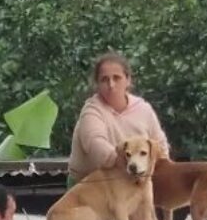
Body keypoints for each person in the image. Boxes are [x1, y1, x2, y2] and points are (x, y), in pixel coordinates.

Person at [67, 52, 170, 186]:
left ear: (128, 80)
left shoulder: (144, 109)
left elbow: (161, 148)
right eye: (104, 79)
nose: (111, 84)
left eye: (117, 78)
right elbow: (95, 144)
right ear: (97, 84)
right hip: (89, 188)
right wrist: (131, 164)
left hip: (135, 186)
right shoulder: (91, 111)